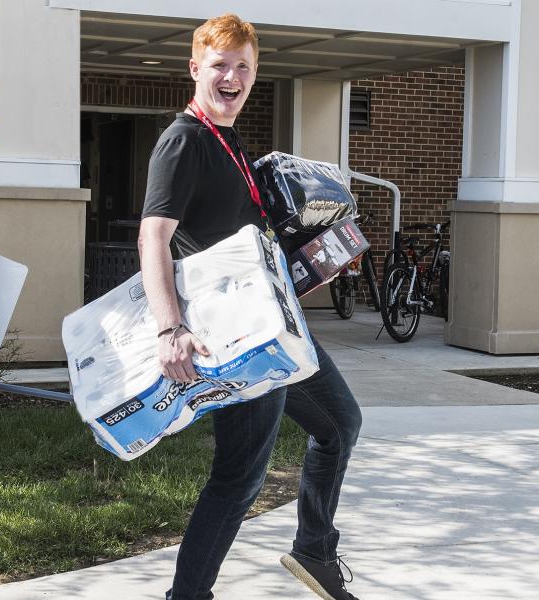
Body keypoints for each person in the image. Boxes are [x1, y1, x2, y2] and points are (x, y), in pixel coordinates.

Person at [139, 13, 362, 600]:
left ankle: (314, 549)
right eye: (220, 65)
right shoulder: (183, 140)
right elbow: (153, 236)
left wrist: (317, 252)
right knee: (239, 476)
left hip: (275, 322)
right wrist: (170, 329)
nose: (232, 76)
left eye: (243, 66)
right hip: (236, 333)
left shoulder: (227, 139)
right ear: (195, 69)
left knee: (339, 424)